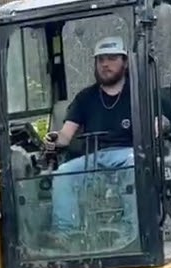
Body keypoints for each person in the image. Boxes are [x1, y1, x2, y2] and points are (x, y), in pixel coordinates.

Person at [46, 36, 138, 245]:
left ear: (124, 62)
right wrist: (54, 139)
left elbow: (157, 123)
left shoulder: (138, 93)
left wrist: (160, 126)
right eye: (101, 59)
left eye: (112, 58)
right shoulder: (85, 98)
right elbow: (66, 135)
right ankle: (65, 233)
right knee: (63, 173)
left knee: (135, 166)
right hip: (93, 158)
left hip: (128, 154)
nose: (106, 64)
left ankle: (131, 232)